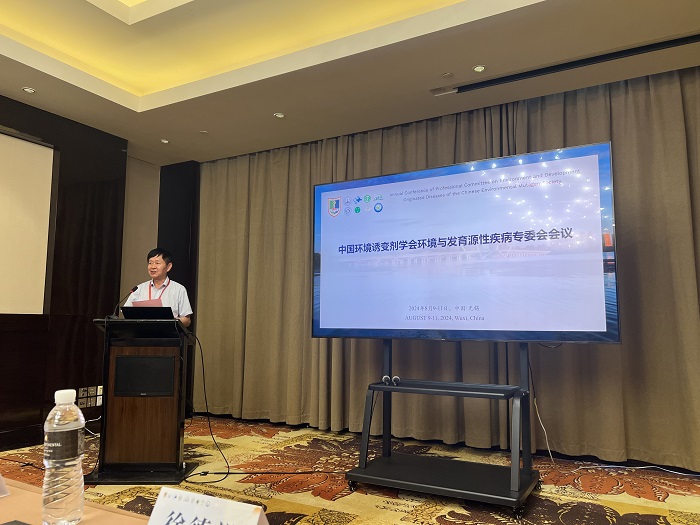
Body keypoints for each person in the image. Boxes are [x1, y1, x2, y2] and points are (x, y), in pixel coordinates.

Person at [124, 248, 193, 327]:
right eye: (150, 263)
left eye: (157, 263)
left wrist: (168, 321)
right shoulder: (138, 289)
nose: (153, 267)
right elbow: (127, 314)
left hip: (168, 333)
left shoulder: (179, 289)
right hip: (142, 332)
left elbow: (187, 320)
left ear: (168, 267)